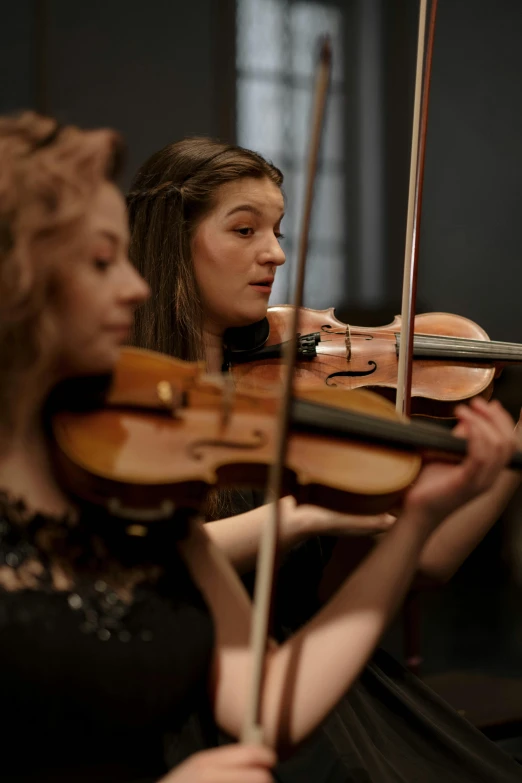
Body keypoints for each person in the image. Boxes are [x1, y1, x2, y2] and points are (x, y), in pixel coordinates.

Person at [128, 136, 522, 782]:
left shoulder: (293, 396)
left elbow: (423, 559)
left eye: (278, 230)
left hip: (314, 676)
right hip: (182, 700)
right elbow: (134, 557)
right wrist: (301, 514)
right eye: (245, 228)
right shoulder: (121, 401)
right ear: (171, 240)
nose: (276, 253)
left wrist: (504, 458)